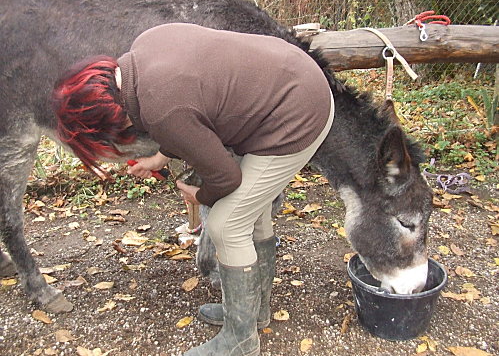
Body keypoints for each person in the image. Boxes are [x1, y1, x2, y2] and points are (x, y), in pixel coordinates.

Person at [53, 23, 334, 356]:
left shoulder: (163, 110)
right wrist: (159, 157)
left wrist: (198, 196)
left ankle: (241, 341)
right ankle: (252, 314)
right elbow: (190, 112)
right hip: (292, 78)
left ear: (112, 122)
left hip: (297, 114)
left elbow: (225, 178)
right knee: (251, 215)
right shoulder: (144, 49)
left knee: (226, 224)